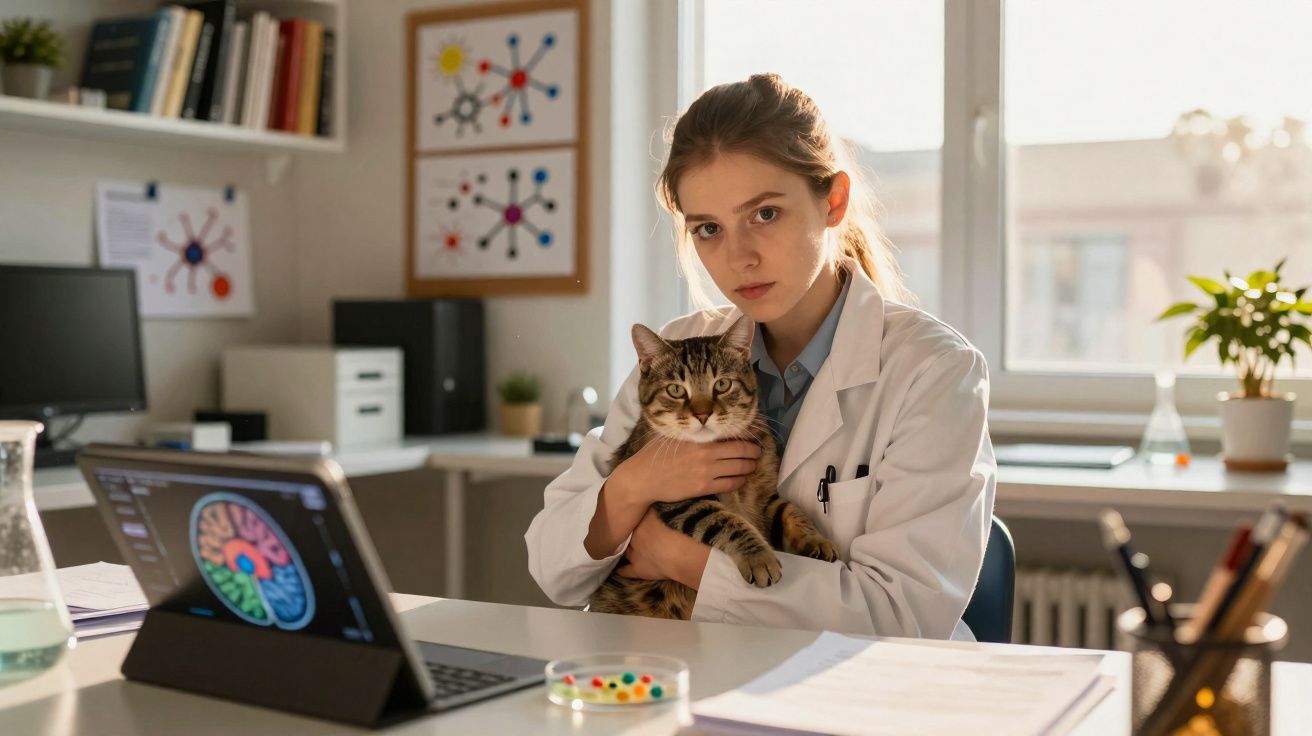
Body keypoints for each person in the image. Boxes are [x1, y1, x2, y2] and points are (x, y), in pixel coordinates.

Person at [525, 73, 996, 640]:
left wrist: (680, 559)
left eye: (765, 214)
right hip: (685, 672)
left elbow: (901, 616)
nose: (738, 257)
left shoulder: (933, 370)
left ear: (834, 202)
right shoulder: (679, 347)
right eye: (708, 229)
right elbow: (553, 567)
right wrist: (633, 484)